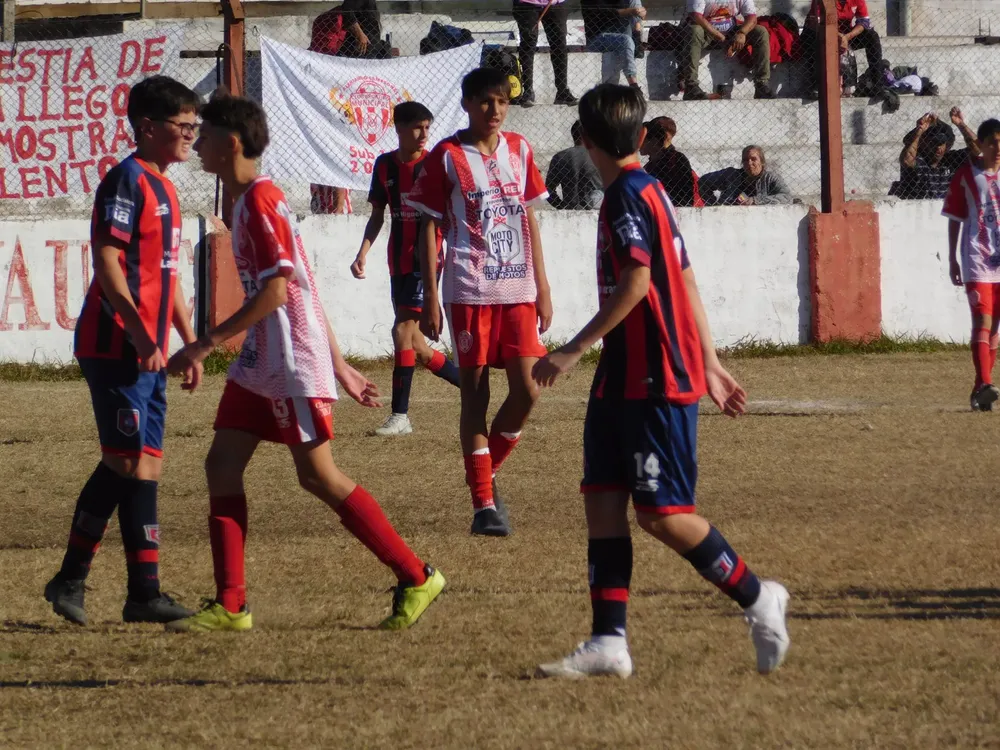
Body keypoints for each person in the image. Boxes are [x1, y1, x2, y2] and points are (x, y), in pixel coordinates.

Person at [532, 83, 789, 679]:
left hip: (655, 377)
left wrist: (571, 350)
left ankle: (758, 597)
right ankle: (608, 641)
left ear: (585, 140)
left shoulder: (626, 195)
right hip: (621, 377)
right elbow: (688, 281)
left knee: (662, 514)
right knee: (602, 500)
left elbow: (640, 283)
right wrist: (716, 362)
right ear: (642, 137)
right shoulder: (648, 189)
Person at [164, 91, 445, 632]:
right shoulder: (247, 201)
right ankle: (230, 604)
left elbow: (278, 291)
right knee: (220, 466)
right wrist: (340, 363)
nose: (196, 143)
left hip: (290, 361)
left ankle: (416, 575)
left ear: (232, 142)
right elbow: (306, 286)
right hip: (263, 360)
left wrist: (203, 343)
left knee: (318, 477)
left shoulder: (262, 201)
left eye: (205, 133)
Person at [43, 76, 202, 627]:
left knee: (146, 467)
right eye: (183, 125)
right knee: (126, 460)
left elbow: (169, 275)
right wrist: (138, 330)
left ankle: (144, 594)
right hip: (114, 345)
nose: (191, 134)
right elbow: (108, 261)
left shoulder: (169, 188)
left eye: (194, 125)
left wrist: (190, 340)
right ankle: (70, 579)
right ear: (148, 127)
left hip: (149, 351)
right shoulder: (125, 181)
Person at [405, 67, 553, 537]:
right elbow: (427, 227)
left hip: (519, 291)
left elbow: (528, 216)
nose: (495, 110)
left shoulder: (521, 149)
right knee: (475, 395)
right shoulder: (446, 157)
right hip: (469, 289)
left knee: (529, 389)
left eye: (502, 101)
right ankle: (484, 505)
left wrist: (543, 285)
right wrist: (431, 294)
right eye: (485, 102)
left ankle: (486, 474)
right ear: (467, 104)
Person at [350, 101, 461, 436]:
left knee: (401, 331)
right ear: (398, 129)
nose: (424, 133)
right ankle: (473, 389)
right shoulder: (384, 166)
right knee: (416, 343)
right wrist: (362, 252)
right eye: (417, 127)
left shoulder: (435, 164)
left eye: (428, 126)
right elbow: (377, 216)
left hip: (424, 261)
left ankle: (401, 416)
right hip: (396, 261)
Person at [943, 118, 1000, 412]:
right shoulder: (967, 173)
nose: (998, 148)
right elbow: (955, 217)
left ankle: (981, 389)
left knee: (994, 330)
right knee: (983, 321)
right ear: (982, 144)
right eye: (992, 142)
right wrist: (952, 257)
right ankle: (985, 384)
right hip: (977, 258)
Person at [683, 0, 774, 101]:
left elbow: (751, 17)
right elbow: (696, 17)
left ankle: (761, 84)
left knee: (761, 32)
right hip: (707, 32)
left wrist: (742, 33)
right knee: (694, 30)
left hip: (732, 31)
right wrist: (717, 34)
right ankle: (691, 86)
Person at [801, 0, 882, 100]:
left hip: (845, 35)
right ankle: (816, 85)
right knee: (813, 36)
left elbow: (863, 22)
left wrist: (847, 37)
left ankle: (877, 84)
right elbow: (819, 23)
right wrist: (840, 37)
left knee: (872, 36)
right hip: (822, 33)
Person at [896, 109, 978, 201]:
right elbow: (907, 160)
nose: (938, 147)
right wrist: (919, 131)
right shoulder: (919, 160)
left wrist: (960, 124)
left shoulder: (951, 159)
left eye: (941, 143)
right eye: (934, 142)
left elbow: (977, 149)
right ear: (924, 143)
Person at [512, 0, 577, 107]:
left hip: (555, 3)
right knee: (528, 44)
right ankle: (527, 91)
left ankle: (562, 91)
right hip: (527, 3)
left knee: (559, 45)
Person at [582, 0, 647, 92]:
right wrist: (629, 11)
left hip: (621, 38)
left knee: (634, 1)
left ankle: (636, 33)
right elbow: (603, 14)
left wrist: (641, 12)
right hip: (597, 38)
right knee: (625, 41)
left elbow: (636, 10)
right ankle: (633, 85)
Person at [699, 145, 791, 205]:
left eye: (753, 159)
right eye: (746, 160)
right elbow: (703, 182)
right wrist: (711, 205)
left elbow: (787, 197)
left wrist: (755, 200)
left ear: (762, 162)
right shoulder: (731, 175)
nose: (749, 163)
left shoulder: (770, 178)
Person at [546, 120, 604, 210]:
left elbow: (547, 190)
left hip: (570, 209)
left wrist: (559, 205)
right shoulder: (599, 156)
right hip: (596, 210)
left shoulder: (560, 157)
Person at [640, 115, 697, 207]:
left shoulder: (677, 160)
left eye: (643, 139)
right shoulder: (649, 166)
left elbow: (686, 195)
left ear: (654, 140)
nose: (638, 144)